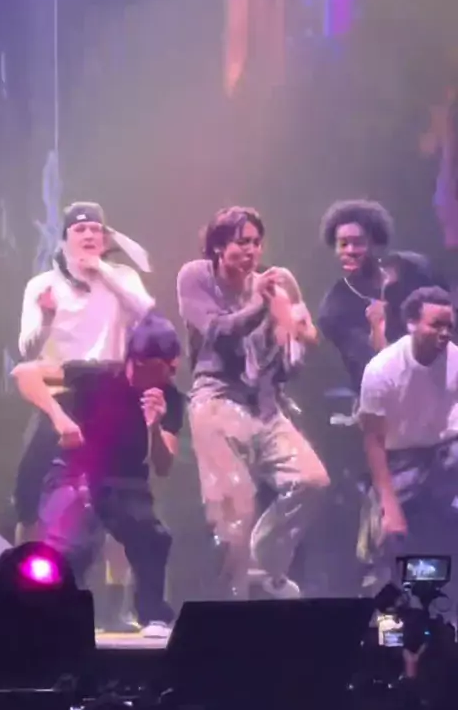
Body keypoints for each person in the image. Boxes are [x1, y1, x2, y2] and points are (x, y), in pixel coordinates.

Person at [177, 205, 329, 600]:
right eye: (241, 242)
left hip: (263, 403)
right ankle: (233, 604)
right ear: (218, 246)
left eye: (256, 242)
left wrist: (295, 333)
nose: (251, 250)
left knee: (311, 481)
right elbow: (217, 332)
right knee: (235, 511)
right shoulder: (196, 277)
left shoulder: (271, 284)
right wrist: (262, 305)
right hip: (217, 398)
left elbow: (293, 355)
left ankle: (266, 564)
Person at [11, 311, 184, 639]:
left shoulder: (170, 398)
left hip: (126, 482)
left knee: (153, 537)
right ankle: (52, 620)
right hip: (74, 473)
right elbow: (24, 373)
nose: (168, 375)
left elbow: (163, 467)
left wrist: (155, 425)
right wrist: (60, 418)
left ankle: (153, 615)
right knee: (69, 549)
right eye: (162, 368)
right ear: (137, 361)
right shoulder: (97, 375)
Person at [14, 200, 154, 541]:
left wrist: (101, 269)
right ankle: (23, 563)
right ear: (65, 239)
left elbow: (147, 312)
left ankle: (119, 576)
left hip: (111, 395)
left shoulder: (122, 277)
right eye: (80, 229)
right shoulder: (42, 284)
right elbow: (26, 351)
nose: (89, 235)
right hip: (61, 393)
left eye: (95, 229)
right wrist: (46, 318)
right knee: (27, 491)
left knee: (122, 504)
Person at [359, 286, 458, 568]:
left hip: (446, 453)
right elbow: (374, 440)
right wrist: (389, 504)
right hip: (400, 460)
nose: (444, 333)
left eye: (449, 326)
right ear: (412, 323)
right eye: (436, 325)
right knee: (391, 539)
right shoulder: (382, 370)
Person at [318, 199, 394, 393]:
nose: (350, 251)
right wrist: (377, 329)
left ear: (375, 243)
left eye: (358, 243)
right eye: (343, 244)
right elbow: (372, 367)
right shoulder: (334, 308)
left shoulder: (408, 273)